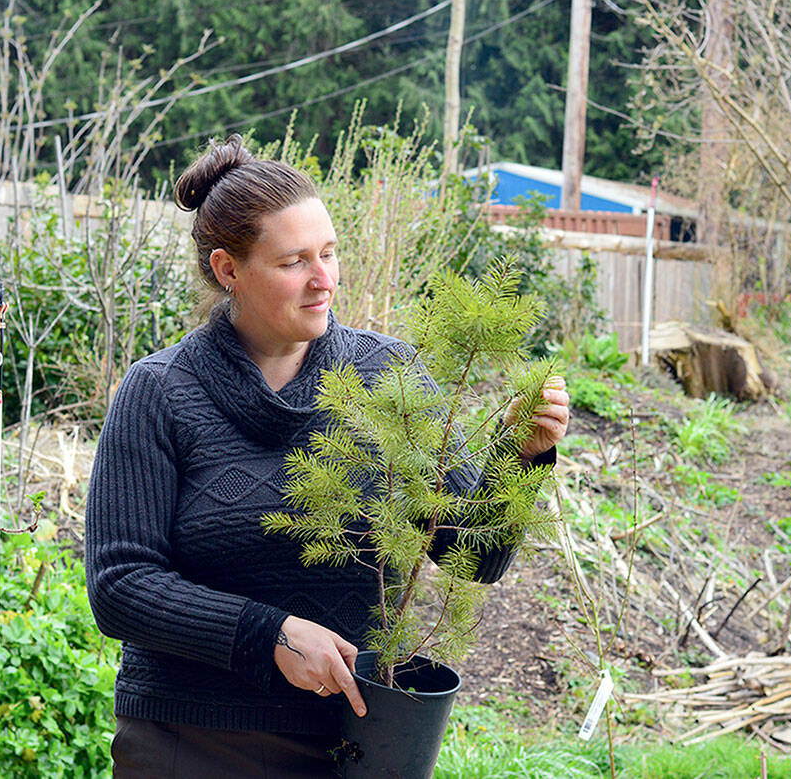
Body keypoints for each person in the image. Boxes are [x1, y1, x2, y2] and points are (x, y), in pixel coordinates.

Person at [84, 135, 570, 778]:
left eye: (330, 254)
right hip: (190, 742)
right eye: (293, 263)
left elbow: (471, 555)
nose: (324, 280)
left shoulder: (388, 375)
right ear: (228, 269)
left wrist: (520, 458)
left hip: (359, 742)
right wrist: (271, 635)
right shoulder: (161, 392)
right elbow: (121, 587)